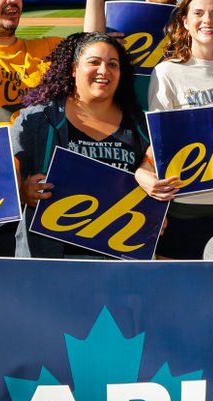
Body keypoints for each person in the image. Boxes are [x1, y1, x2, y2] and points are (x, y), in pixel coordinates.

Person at [11, 33, 159, 258]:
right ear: (73, 69)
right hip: (51, 259)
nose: (104, 70)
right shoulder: (36, 120)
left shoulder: (141, 125)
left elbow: (152, 177)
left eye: (112, 64)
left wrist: (154, 213)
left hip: (118, 257)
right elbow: (4, 184)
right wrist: (23, 191)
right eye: (94, 62)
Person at [141, 0, 213, 259]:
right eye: (198, 13)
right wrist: (142, 173)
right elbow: (160, 143)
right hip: (185, 208)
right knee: (178, 294)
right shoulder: (167, 72)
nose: (208, 20)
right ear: (185, 21)